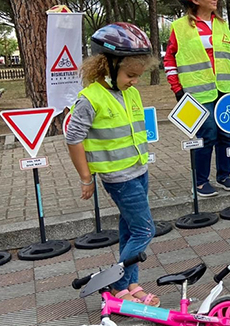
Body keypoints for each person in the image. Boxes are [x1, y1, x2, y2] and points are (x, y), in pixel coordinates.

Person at [66, 23, 160, 306]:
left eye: (138, 76)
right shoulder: (90, 99)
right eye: (130, 74)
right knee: (145, 230)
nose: (134, 81)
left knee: (130, 230)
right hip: (119, 178)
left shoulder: (130, 92)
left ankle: (129, 284)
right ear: (106, 65)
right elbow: (73, 138)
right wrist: (86, 177)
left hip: (139, 171)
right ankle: (118, 283)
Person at [164, 0, 230, 198]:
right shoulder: (179, 27)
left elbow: (226, 58)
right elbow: (169, 60)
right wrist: (176, 89)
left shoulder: (223, 24)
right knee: (207, 132)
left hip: (225, 89)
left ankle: (224, 175)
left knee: (226, 133)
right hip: (195, 91)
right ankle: (200, 181)